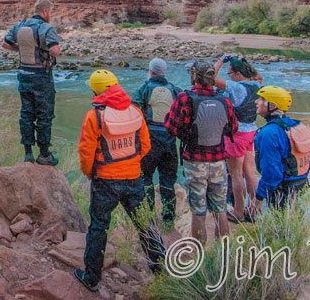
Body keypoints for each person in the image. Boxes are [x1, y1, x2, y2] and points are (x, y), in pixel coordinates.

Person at [74, 70, 162, 292]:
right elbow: (145, 145)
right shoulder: (135, 111)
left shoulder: (94, 116)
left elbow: (86, 152)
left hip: (105, 180)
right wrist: (130, 163)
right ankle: (162, 270)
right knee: (145, 225)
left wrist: (89, 173)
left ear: (97, 89)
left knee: (98, 228)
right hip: (133, 178)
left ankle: (91, 278)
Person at [163, 60, 238, 243]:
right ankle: (223, 253)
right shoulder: (224, 99)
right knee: (220, 208)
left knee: (198, 212)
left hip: (195, 161)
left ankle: (199, 256)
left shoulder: (184, 97)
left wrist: (186, 134)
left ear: (195, 75)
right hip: (219, 161)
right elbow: (233, 128)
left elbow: (170, 127)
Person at [2, 0, 61, 165]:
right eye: (50, 12)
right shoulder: (46, 28)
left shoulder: (19, 26)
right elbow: (54, 50)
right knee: (44, 115)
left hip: (24, 75)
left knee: (26, 114)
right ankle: (44, 155)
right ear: (45, 12)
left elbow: (5, 44)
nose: (50, 15)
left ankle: (27, 152)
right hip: (41, 77)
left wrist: (21, 49)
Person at [252, 86, 310, 212]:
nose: (256, 102)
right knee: (294, 219)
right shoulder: (297, 125)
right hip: (301, 184)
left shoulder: (269, 133)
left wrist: (259, 197)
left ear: (272, 106)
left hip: (281, 189)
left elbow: (271, 172)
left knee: (281, 227)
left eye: (261, 99)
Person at [132, 57, 181, 225]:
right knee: (168, 180)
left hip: (149, 141)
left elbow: (134, 112)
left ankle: (149, 216)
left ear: (151, 71)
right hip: (169, 140)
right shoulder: (175, 89)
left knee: (145, 178)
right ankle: (168, 218)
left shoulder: (144, 88)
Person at [214, 54, 262, 223]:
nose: (229, 77)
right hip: (251, 131)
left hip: (236, 134)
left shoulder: (236, 87)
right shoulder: (257, 83)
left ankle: (239, 212)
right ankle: (255, 209)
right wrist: (241, 61)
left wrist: (221, 60)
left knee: (235, 174)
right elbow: (256, 75)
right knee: (250, 171)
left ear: (237, 74)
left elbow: (210, 78)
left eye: (229, 73)